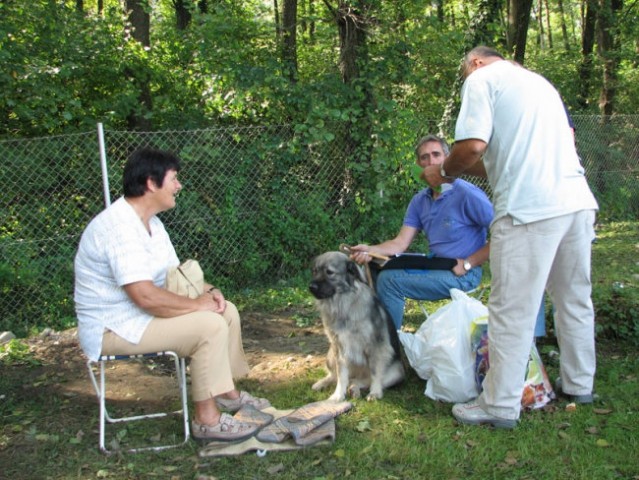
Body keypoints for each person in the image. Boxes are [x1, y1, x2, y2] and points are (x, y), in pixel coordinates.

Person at [424, 46, 599, 428]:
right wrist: (460, 170)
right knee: (574, 299)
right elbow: (498, 164)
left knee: (510, 310)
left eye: (465, 72)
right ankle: (580, 384)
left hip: (528, 210)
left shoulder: (482, 79)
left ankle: (499, 405)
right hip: (576, 202)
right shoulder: (541, 85)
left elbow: (471, 147)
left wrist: (446, 173)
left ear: (475, 62)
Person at [74, 148, 270, 442]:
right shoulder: (118, 227)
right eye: (174, 179)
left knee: (225, 311)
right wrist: (196, 305)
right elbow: (146, 297)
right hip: (113, 328)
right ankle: (208, 421)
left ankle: (226, 393)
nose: (179, 186)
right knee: (209, 326)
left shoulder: (152, 223)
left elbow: (175, 277)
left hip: (140, 318)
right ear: (152, 183)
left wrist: (211, 293)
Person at [349, 135, 494, 330]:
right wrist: (370, 250)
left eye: (436, 155)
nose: (431, 161)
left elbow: (504, 236)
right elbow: (400, 243)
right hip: (436, 266)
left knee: (390, 282)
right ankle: (375, 336)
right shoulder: (420, 201)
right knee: (378, 268)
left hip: (463, 273)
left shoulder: (468, 195)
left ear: (448, 159)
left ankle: (390, 350)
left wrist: (469, 263)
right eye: (424, 157)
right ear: (418, 164)